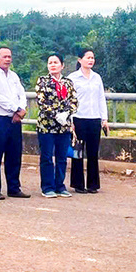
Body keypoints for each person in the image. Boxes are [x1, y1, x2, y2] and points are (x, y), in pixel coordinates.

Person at [0, 47, 30, 200]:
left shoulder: (14, 76)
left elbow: (21, 93)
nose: (8, 59)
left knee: (15, 154)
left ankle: (14, 187)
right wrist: (16, 109)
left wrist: (21, 109)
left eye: (9, 56)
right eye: (4, 57)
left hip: (15, 119)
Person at [35, 54, 78, 198]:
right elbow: (41, 102)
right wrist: (55, 115)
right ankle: (47, 187)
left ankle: (60, 185)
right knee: (47, 157)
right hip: (47, 126)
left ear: (62, 65)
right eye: (50, 63)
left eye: (55, 62)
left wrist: (66, 114)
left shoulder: (68, 82)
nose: (52, 65)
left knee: (62, 157)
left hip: (64, 126)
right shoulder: (42, 81)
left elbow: (74, 101)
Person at [68, 49, 109, 194]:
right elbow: (69, 100)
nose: (91, 60)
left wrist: (104, 119)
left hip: (94, 119)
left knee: (93, 152)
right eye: (88, 58)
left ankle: (93, 185)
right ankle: (78, 184)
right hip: (78, 118)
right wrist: (70, 119)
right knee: (78, 152)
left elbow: (101, 98)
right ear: (80, 60)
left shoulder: (97, 77)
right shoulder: (72, 78)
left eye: (92, 58)